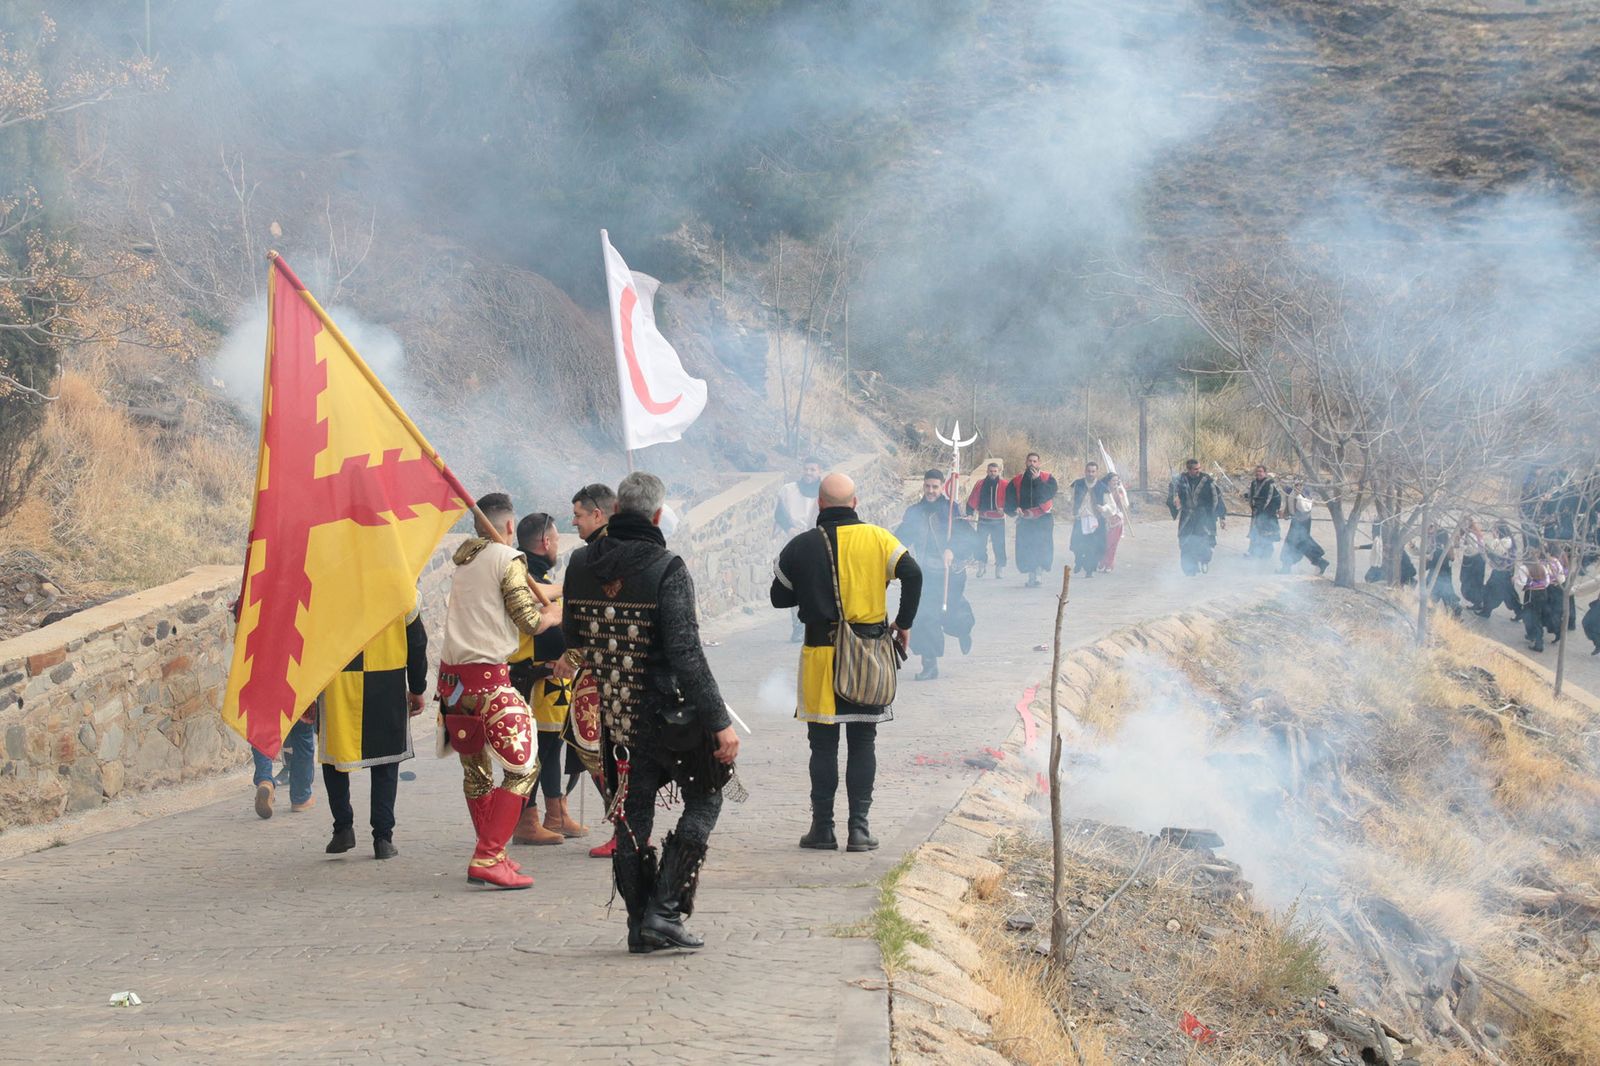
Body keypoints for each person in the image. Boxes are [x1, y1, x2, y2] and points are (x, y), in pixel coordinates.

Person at [556, 472, 740, 953]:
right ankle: (665, 910)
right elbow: (686, 653)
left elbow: (573, 642)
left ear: (615, 512)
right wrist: (720, 722)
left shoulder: (577, 564)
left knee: (629, 817)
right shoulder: (667, 566)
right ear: (657, 515)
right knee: (709, 796)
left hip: (609, 716)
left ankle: (641, 924)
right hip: (668, 718)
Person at [772, 471, 922, 853]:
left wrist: (813, 586)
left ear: (819, 504)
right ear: (856, 504)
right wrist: (902, 623)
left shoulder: (801, 545)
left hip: (821, 657)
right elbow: (913, 573)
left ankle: (822, 830)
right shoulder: (878, 538)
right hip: (867, 655)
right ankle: (859, 830)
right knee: (863, 741)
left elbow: (778, 597)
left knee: (822, 747)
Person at [436, 492, 560, 890]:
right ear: (510, 526)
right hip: (490, 681)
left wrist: (554, 592)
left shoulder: (465, 562)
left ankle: (494, 852)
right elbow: (528, 621)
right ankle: (489, 854)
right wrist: (556, 614)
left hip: (454, 685)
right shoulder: (508, 560)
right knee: (523, 768)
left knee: (477, 775)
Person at [318, 606, 429, 859]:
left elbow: (309, 643)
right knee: (386, 760)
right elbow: (417, 642)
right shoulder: (401, 588)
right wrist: (417, 686)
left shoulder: (328, 587)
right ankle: (383, 838)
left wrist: (307, 695)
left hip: (337, 682)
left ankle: (343, 828)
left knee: (335, 755)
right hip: (387, 679)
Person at [507, 512, 586, 847]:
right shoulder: (522, 577)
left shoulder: (536, 576)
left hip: (554, 678)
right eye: (555, 538)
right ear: (546, 542)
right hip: (534, 679)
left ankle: (556, 813)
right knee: (537, 751)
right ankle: (529, 818)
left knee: (551, 747)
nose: (556, 544)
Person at [896, 469, 976, 680]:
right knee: (924, 616)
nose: (931, 491)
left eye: (935, 487)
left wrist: (952, 549)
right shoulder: (914, 512)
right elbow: (900, 537)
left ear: (942, 487)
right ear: (923, 486)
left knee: (951, 613)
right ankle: (929, 664)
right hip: (924, 574)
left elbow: (968, 538)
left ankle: (963, 630)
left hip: (950, 573)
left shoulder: (952, 510)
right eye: (927, 486)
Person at [775, 458, 824, 640]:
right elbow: (779, 512)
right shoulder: (789, 490)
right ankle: (798, 627)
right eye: (806, 469)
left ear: (819, 471)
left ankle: (816, 624)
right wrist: (789, 528)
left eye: (813, 469)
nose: (809, 473)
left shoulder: (825, 492)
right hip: (794, 543)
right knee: (795, 586)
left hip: (817, 544)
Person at [1007, 453, 1058, 588]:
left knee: (1042, 546)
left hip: (1043, 519)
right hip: (1025, 520)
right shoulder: (1017, 480)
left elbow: (1047, 495)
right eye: (1030, 461)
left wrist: (1037, 480)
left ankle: (1039, 574)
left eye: (1035, 461)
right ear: (1026, 462)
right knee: (1026, 547)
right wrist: (1014, 508)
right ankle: (1031, 575)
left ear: (1039, 463)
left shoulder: (1048, 478)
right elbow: (1009, 499)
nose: (1032, 464)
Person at [1168, 459, 1226, 576]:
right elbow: (1173, 494)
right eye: (1195, 469)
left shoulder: (1207, 481)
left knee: (1204, 542)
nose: (1198, 471)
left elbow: (1217, 498)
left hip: (1203, 517)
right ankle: (1190, 569)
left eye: (1199, 468)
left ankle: (1204, 561)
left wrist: (1222, 517)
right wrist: (1174, 499)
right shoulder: (1180, 480)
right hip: (1187, 517)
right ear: (1189, 470)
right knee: (1186, 542)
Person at [253, 712, 315, 819]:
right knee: (302, 734)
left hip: (266, 697)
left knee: (262, 728)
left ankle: (265, 780)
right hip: (299, 696)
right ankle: (301, 797)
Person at [965, 461, 1010, 578]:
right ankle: (982, 565)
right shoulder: (980, 484)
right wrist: (969, 513)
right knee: (980, 544)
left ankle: (999, 567)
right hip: (983, 519)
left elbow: (1012, 500)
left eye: (995, 471)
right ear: (987, 471)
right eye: (990, 471)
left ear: (999, 472)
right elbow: (972, 498)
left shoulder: (1005, 484)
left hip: (998, 520)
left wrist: (1005, 509)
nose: (993, 473)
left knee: (999, 545)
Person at [1068, 461, 1110, 578]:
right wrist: (1071, 509)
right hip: (1080, 519)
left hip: (1095, 520)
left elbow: (1110, 505)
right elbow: (1070, 498)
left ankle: (1089, 570)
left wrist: (1103, 508)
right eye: (1088, 471)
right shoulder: (1078, 484)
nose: (1090, 474)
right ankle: (1079, 561)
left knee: (1093, 546)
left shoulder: (1102, 487)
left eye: (1093, 471)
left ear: (1096, 472)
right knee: (1077, 544)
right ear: (1085, 471)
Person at [1278, 481, 1327, 575]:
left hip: (1302, 522)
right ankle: (1320, 562)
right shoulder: (1292, 490)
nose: (1298, 486)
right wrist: (1286, 513)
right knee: (1297, 544)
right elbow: (1289, 502)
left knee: (1300, 543)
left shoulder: (1305, 493)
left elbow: (1305, 508)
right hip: (1297, 521)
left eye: (1300, 485)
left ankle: (1320, 562)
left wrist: (1299, 495)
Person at [1475, 521, 1522, 620]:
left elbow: (1496, 553)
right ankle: (1487, 610)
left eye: (1495, 530)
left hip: (1503, 572)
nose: (1493, 532)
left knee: (1494, 591)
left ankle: (1486, 611)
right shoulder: (1504, 540)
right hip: (1501, 571)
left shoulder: (1506, 541)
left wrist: (1495, 539)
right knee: (1506, 593)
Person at [1513, 548, 1553, 652]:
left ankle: (1538, 642)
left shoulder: (1524, 568)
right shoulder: (1542, 567)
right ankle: (1532, 635)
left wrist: (1515, 579)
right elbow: (1547, 582)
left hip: (1531, 594)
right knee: (1537, 617)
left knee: (1530, 616)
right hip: (1543, 593)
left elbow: (1522, 582)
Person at [1245, 466, 1282, 562]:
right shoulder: (1253, 483)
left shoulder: (1270, 484)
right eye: (1257, 471)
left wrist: (1276, 509)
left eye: (1261, 471)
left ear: (1265, 473)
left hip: (1267, 513)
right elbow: (1251, 496)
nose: (1258, 473)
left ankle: (1266, 555)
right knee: (1255, 533)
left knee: (1266, 535)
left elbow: (1276, 498)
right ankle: (1253, 552)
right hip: (1256, 512)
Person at [1425, 530, 1462, 615]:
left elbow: (1427, 566)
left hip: (1435, 580)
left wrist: (1427, 559)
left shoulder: (1436, 551)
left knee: (1431, 600)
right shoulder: (1448, 548)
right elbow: (1452, 559)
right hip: (1446, 580)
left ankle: (1430, 617)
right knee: (1449, 598)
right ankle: (1456, 615)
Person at [1100, 472, 1130, 572]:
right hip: (1105, 520)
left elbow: (1125, 505)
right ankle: (1102, 562)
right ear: (1108, 481)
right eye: (1113, 480)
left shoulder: (1119, 492)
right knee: (1104, 543)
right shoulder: (1103, 491)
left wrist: (1123, 493)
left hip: (1117, 521)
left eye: (1117, 481)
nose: (1115, 482)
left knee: (1112, 544)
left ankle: (1109, 564)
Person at [1458, 519, 1488, 613]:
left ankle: (1477, 602)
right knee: (1475, 582)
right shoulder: (1474, 533)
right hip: (1477, 560)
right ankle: (1478, 602)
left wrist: (1461, 545)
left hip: (1473, 560)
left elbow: (1471, 549)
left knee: (1469, 583)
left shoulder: (1470, 535)